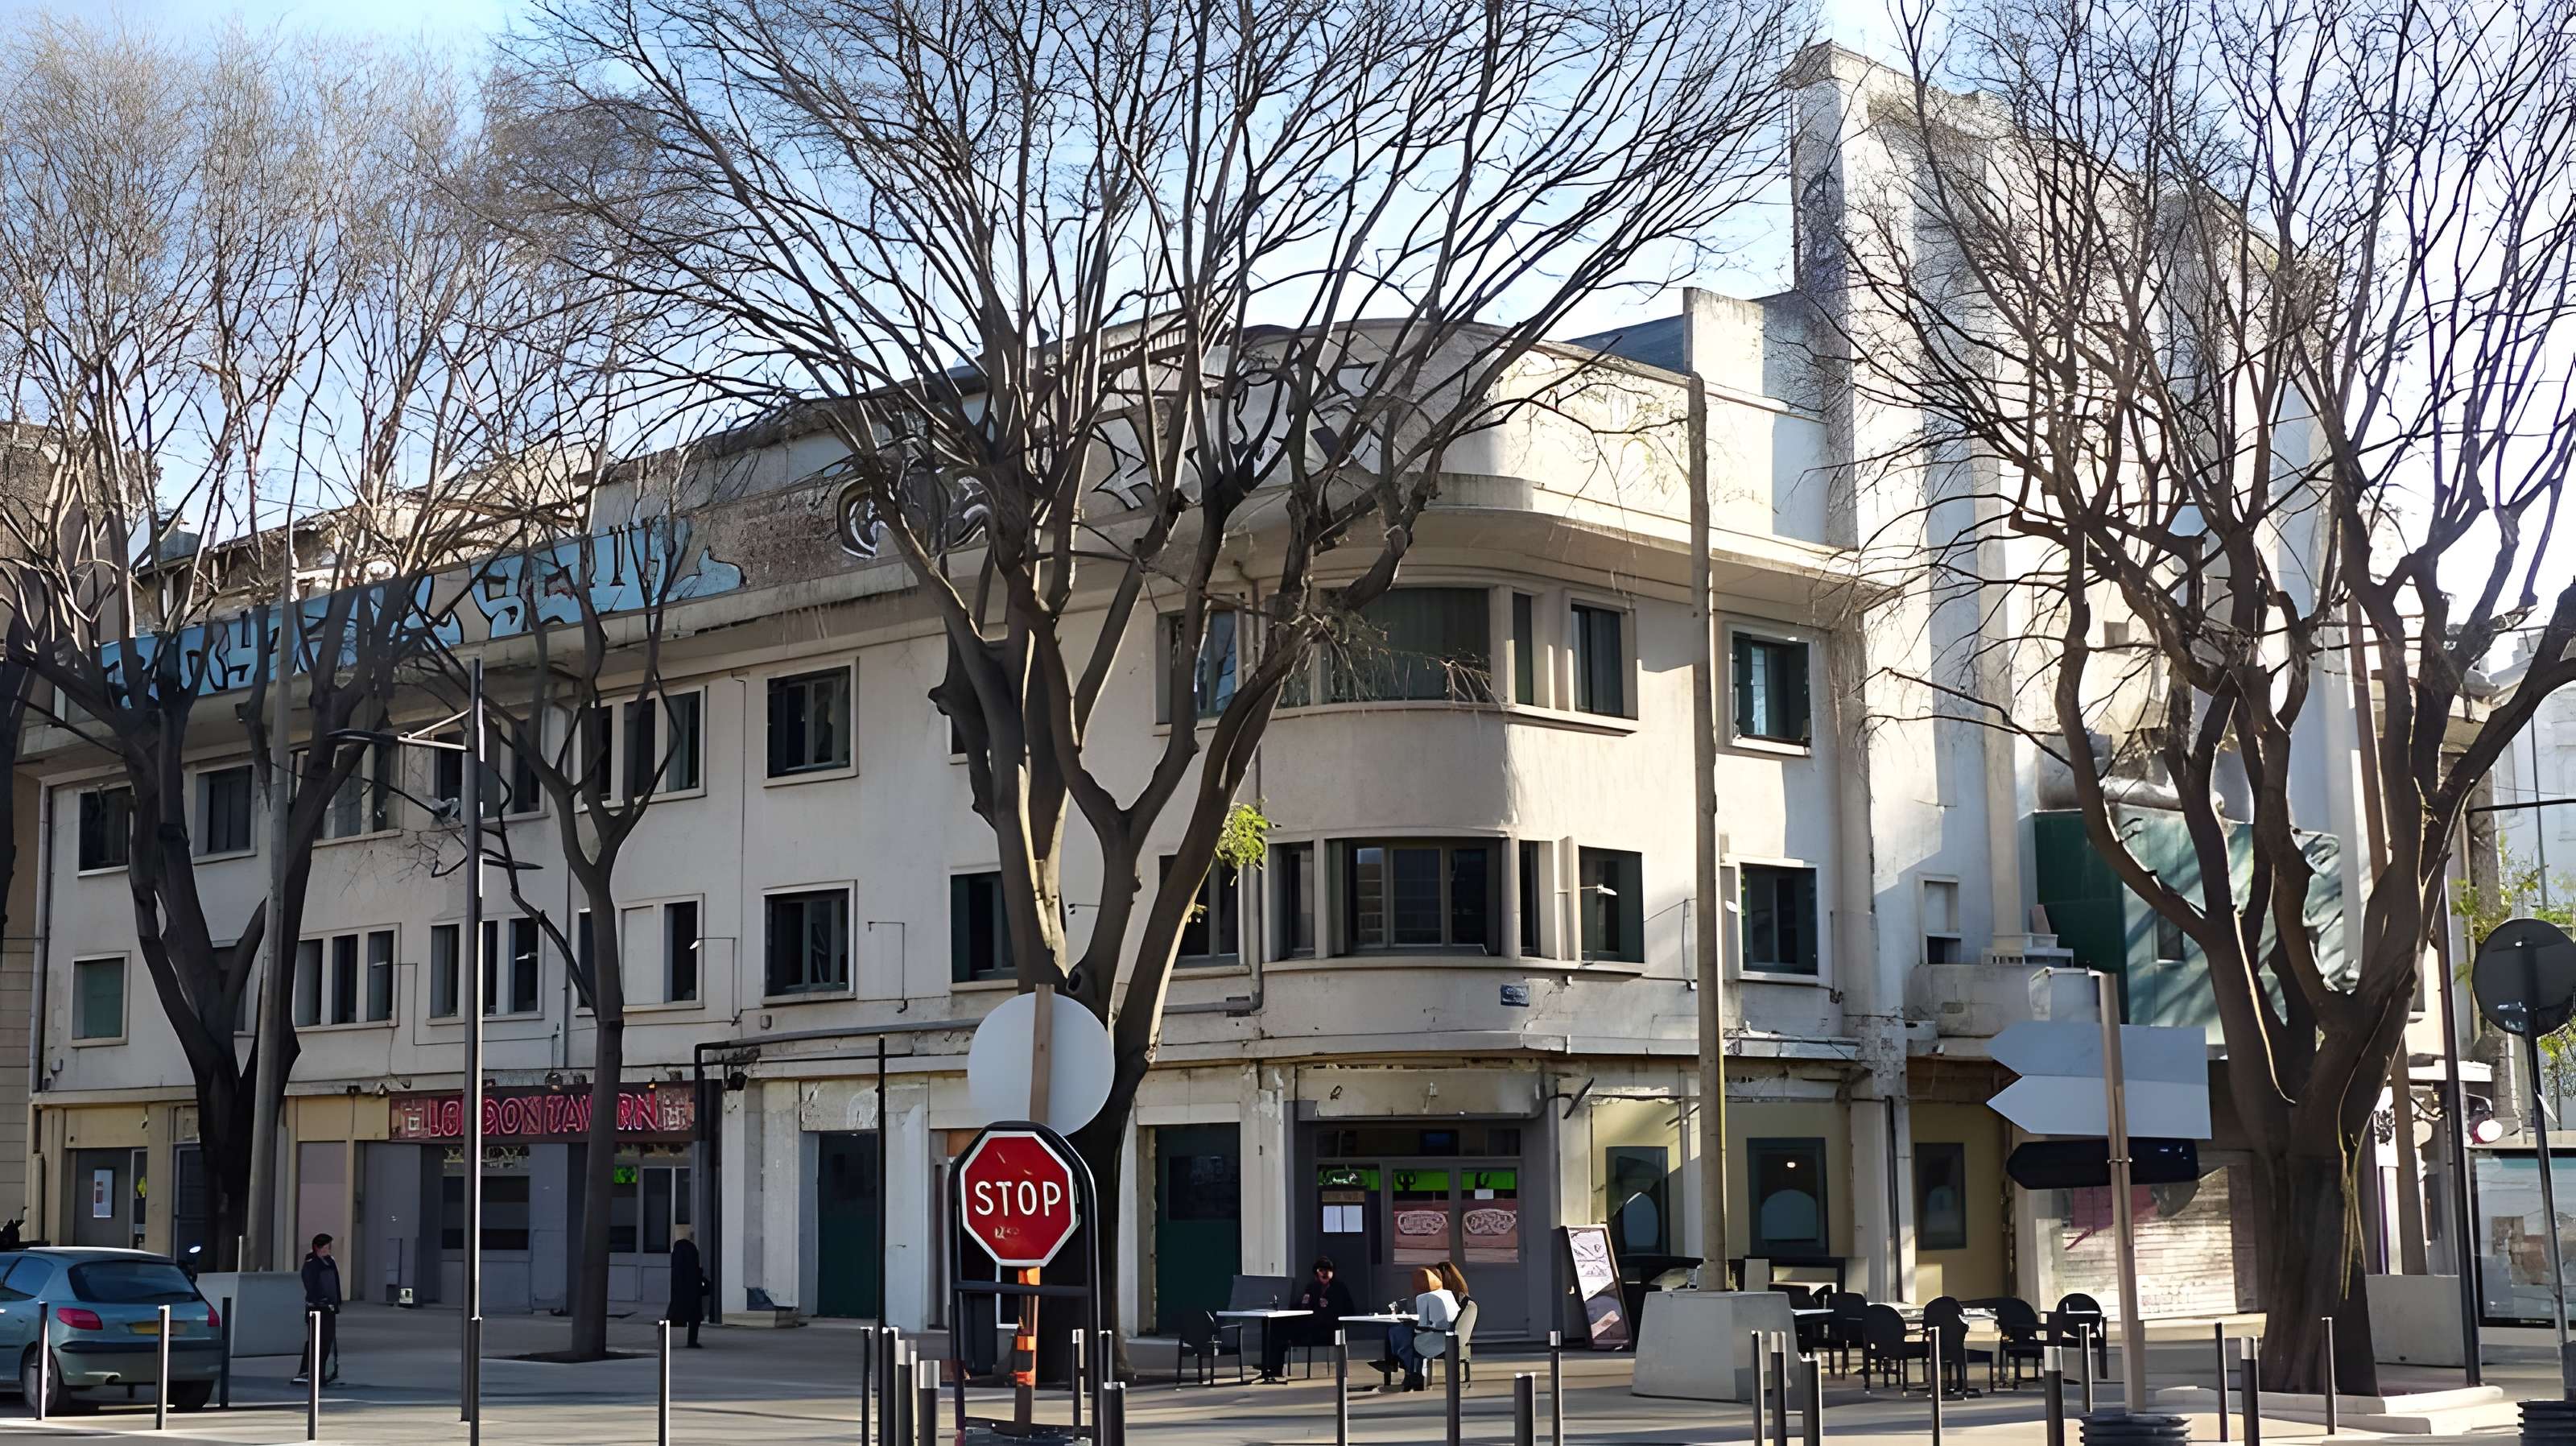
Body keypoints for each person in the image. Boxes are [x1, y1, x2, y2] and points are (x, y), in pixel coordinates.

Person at [1257, 1254, 1355, 1382]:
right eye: (1322, 1270)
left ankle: (1273, 1367)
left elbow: (1349, 1310)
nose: (1325, 1273)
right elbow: (1303, 1307)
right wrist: (1302, 1304)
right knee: (1276, 1326)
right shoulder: (1312, 1287)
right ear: (1317, 1273)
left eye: (1328, 1270)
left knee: (1284, 1330)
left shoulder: (1339, 1288)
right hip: (1310, 1327)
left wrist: (1329, 1306)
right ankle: (1271, 1369)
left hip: (1330, 1330)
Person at [1385, 1266, 1459, 1392]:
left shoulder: (1424, 1297)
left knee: (1399, 1333)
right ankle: (1410, 1373)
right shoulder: (1447, 1294)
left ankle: (1408, 1371)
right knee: (1405, 1334)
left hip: (1434, 1339)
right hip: (1449, 1336)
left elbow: (1422, 1324)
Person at [294, 1233, 342, 1386]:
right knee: (317, 1342)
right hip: (317, 1308)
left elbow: (335, 1284)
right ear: (317, 1248)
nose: (328, 1249)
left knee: (327, 1341)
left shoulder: (330, 1262)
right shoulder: (311, 1263)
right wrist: (320, 1300)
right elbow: (310, 1285)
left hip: (330, 1309)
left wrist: (336, 1302)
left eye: (329, 1246)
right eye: (326, 1247)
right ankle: (311, 1373)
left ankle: (320, 1372)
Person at [667, 1225, 707, 1348]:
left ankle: (662, 1337)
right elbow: (694, 1269)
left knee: (674, 1314)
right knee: (694, 1317)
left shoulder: (677, 1249)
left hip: (679, 1288)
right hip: (692, 1287)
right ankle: (692, 1341)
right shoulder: (691, 1248)